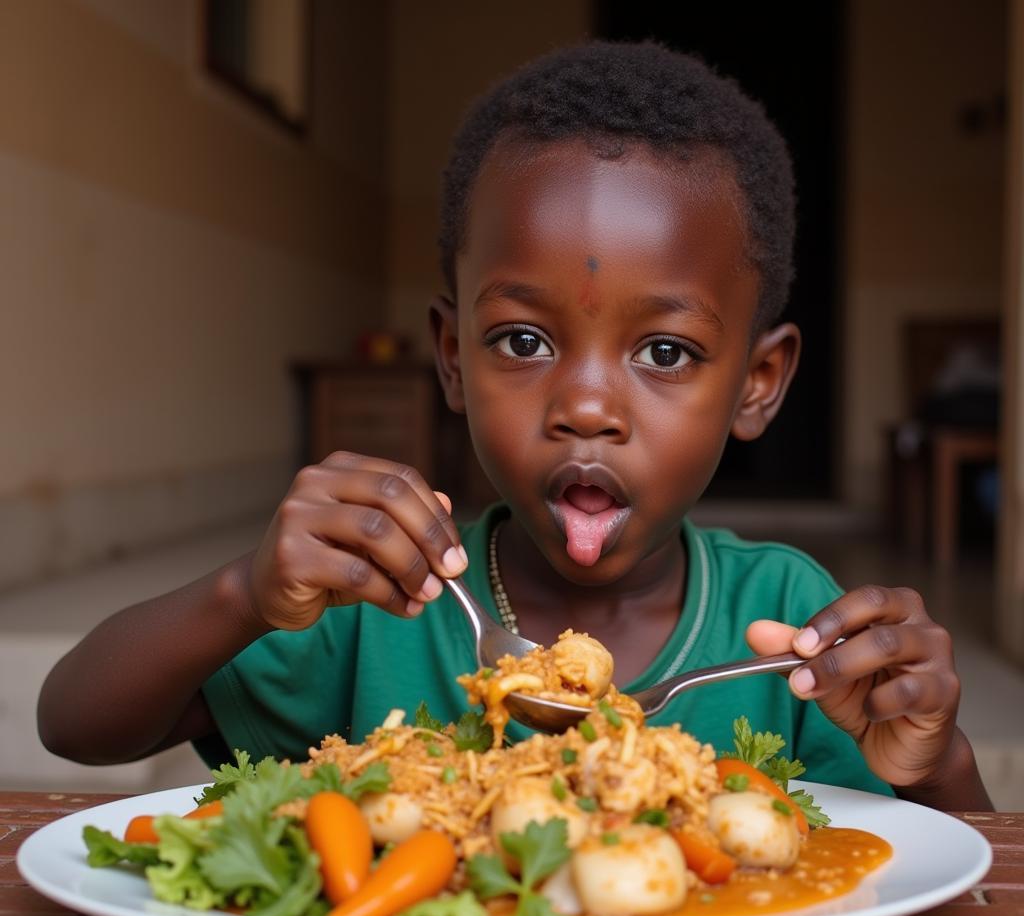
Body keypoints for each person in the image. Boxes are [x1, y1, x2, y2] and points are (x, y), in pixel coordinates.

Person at [38, 41, 992, 811]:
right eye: (524, 339)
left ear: (759, 381)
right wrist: (245, 592)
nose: (584, 407)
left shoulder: (783, 630)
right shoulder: (383, 604)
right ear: (451, 356)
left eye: (663, 353)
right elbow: (75, 724)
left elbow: (958, 880)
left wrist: (934, 757)